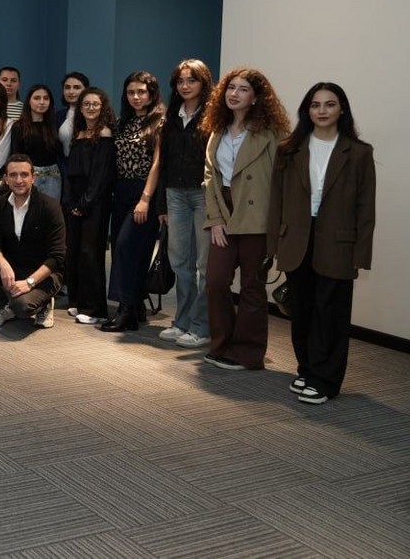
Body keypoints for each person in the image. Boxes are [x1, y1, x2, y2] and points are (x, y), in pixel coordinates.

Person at [270, 83, 375, 404]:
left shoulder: (358, 152)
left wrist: (361, 253)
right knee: (301, 310)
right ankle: (306, 369)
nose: (322, 110)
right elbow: (276, 199)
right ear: (307, 110)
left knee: (330, 313)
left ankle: (325, 380)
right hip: (297, 239)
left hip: (338, 241)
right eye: (315, 105)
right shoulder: (289, 149)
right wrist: (273, 245)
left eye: (330, 104)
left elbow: (366, 207)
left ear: (342, 109)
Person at [202, 67, 289, 371]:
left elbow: (283, 180)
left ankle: (248, 353)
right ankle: (222, 343)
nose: (234, 94)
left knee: (252, 286)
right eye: (230, 88)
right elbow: (210, 177)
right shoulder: (218, 130)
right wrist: (215, 218)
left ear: (255, 97)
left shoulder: (271, 134)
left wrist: (279, 225)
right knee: (215, 281)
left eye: (243, 89)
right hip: (224, 212)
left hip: (256, 217)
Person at [101, 72, 165, 332]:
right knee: (122, 247)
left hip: (144, 191)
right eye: (131, 92)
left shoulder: (160, 121)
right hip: (121, 191)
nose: (136, 97)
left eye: (141, 92)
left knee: (127, 247)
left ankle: (125, 310)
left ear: (151, 93)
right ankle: (136, 306)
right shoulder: (123, 121)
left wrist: (145, 199)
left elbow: (157, 164)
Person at [156, 59, 214, 348]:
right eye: (180, 81)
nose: (185, 85)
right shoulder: (171, 117)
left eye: (192, 80)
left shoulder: (214, 116)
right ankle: (182, 321)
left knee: (204, 264)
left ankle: (202, 326)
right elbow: (163, 162)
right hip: (175, 194)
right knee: (180, 261)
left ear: (204, 83)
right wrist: (162, 205)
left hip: (203, 194)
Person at [0, 155, 66, 330]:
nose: (19, 180)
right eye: (13, 175)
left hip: (44, 274)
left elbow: (57, 256)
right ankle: (3, 307)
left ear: (33, 177)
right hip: (14, 266)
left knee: (22, 307)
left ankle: (45, 303)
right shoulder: (0, 205)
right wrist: (3, 265)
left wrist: (29, 282)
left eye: (24, 174)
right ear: (6, 179)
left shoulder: (50, 207)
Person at [62, 88, 115, 325]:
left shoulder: (105, 134)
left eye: (95, 104)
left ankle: (96, 309)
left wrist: (85, 203)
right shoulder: (79, 133)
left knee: (90, 253)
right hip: (75, 201)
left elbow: (100, 175)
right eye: (86, 104)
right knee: (74, 251)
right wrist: (71, 202)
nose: (91, 108)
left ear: (103, 108)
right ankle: (78, 300)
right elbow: (72, 172)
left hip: (95, 202)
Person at [10, 84, 62, 201]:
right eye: (37, 98)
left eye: (46, 98)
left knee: (51, 211)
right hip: (29, 177)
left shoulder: (55, 125)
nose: (42, 102)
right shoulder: (19, 126)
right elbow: (15, 155)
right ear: (29, 101)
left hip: (53, 177)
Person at [57, 71, 90, 159]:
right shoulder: (59, 115)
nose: (71, 92)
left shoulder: (92, 114)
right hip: (65, 164)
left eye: (76, 87)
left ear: (86, 90)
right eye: (67, 87)